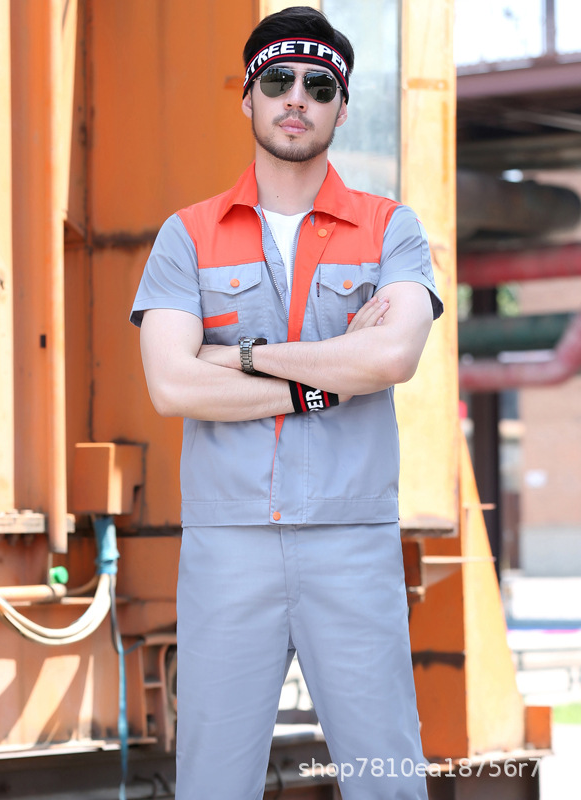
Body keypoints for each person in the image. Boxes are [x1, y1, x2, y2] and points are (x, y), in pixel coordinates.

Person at [130, 7, 443, 798]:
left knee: (387, 780)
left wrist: (241, 355)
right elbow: (172, 384)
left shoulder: (391, 229)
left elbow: (392, 356)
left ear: (342, 107)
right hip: (227, 545)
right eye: (277, 80)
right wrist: (330, 375)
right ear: (248, 96)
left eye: (318, 85)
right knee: (213, 784)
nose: (296, 97)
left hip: (353, 542)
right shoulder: (187, 236)